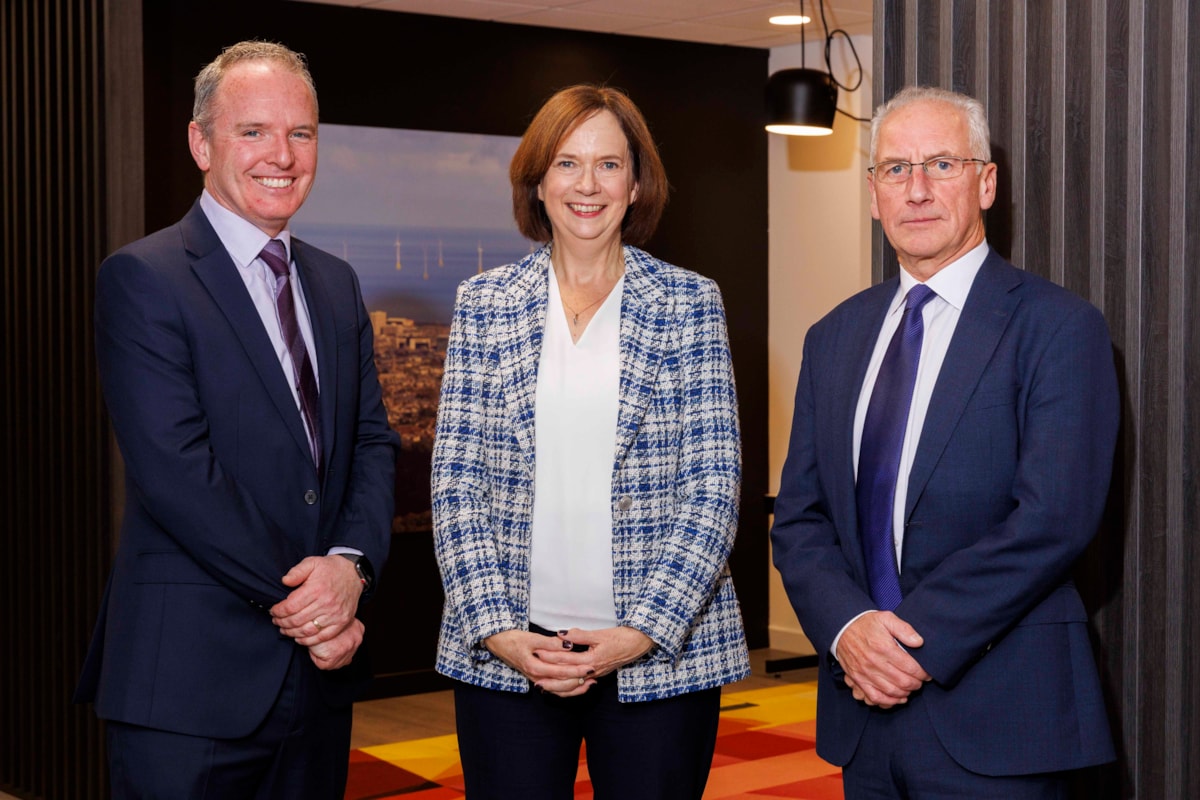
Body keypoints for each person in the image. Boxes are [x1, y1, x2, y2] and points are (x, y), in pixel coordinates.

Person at [771, 85, 1119, 798]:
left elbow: (1053, 518)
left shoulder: (1058, 328)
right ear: (873, 194)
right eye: (896, 169)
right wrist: (850, 631)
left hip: (1002, 719)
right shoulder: (833, 337)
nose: (917, 189)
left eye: (942, 164)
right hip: (862, 715)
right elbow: (802, 520)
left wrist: (906, 645)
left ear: (986, 182)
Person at [74, 41, 399, 798]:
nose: (280, 155)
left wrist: (350, 568)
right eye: (252, 131)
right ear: (200, 142)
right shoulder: (143, 278)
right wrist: (318, 607)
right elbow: (177, 471)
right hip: (189, 687)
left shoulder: (336, 281)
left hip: (316, 688)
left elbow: (371, 443)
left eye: (301, 133)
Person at [431, 84, 749, 800]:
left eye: (609, 165)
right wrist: (499, 634)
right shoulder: (484, 305)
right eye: (568, 163)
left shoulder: (692, 304)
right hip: (510, 657)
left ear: (637, 185)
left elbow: (712, 490)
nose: (587, 184)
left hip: (657, 660)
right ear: (537, 181)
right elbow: (456, 486)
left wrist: (638, 635)